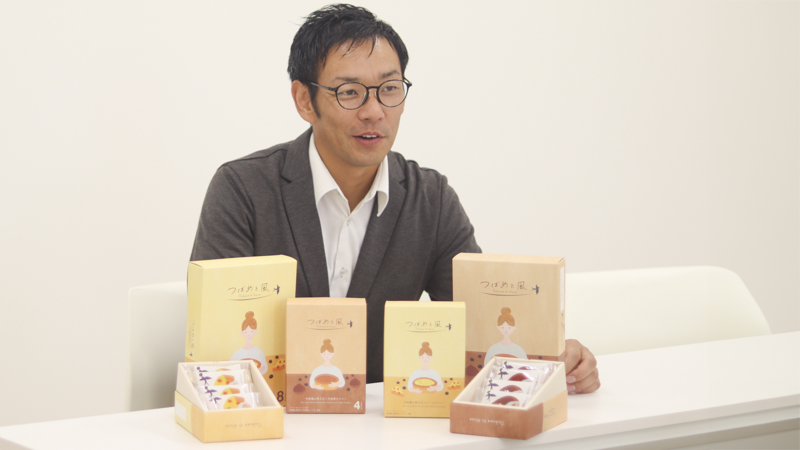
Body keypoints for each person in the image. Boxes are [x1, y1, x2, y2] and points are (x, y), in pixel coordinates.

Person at [190, 4, 599, 394]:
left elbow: (479, 331)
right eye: (350, 92)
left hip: (387, 426)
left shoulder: (430, 200)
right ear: (304, 100)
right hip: (273, 420)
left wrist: (554, 356)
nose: (374, 111)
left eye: (389, 89)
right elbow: (217, 341)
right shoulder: (243, 190)